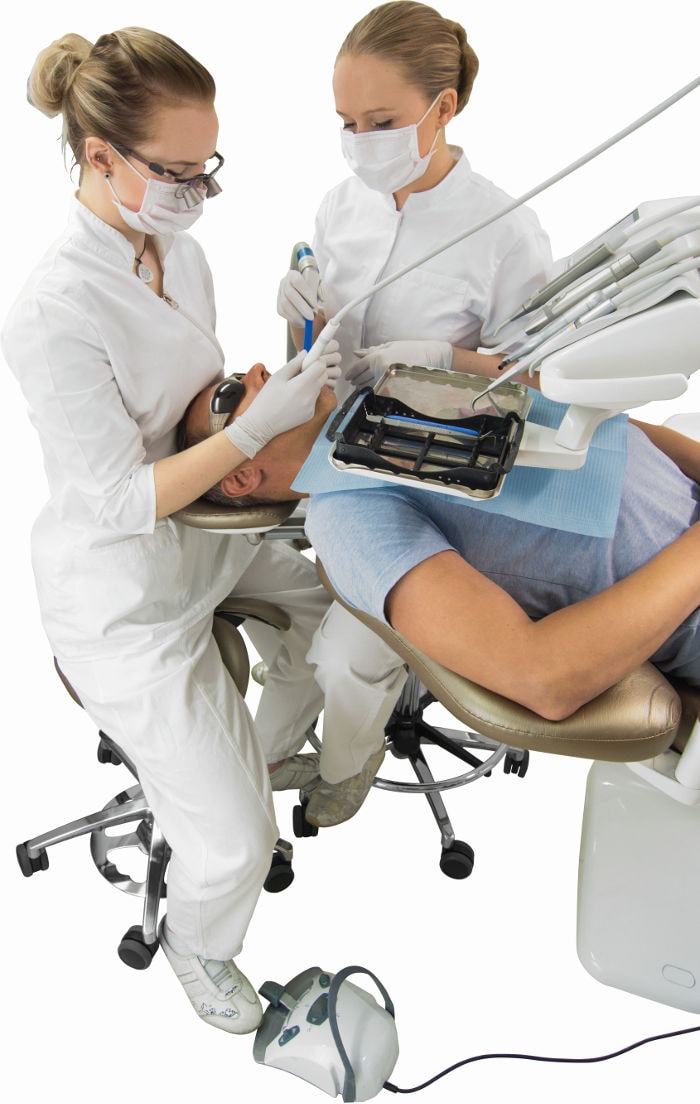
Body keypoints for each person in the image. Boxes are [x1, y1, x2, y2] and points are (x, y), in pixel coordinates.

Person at [1, 28, 343, 1035]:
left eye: (207, 168)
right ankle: (200, 946)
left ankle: (254, 762)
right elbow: (116, 498)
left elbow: (193, 407)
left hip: (207, 542)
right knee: (236, 847)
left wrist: (285, 352)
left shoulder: (178, 253)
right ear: (100, 155)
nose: (199, 191)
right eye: (178, 172)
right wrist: (252, 430)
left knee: (345, 623)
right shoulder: (53, 309)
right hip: (125, 600)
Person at [275, 1, 555, 826]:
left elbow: (539, 385)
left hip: (436, 476)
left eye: (382, 121)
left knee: (346, 659)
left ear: (444, 107)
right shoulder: (341, 206)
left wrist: (440, 363)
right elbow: (320, 356)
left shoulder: (505, 231)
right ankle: (277, 743)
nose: (361, 141)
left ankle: (347, 765)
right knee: (270, 605)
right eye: (347, 122)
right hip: (337, 451)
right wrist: (295, 315)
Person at [180, 369, 700, 753]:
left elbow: (611, 433)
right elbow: (543, 678)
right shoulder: (350, 519)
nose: (257, 371)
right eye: (231, 395)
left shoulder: (384, 403)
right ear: (240, 475)